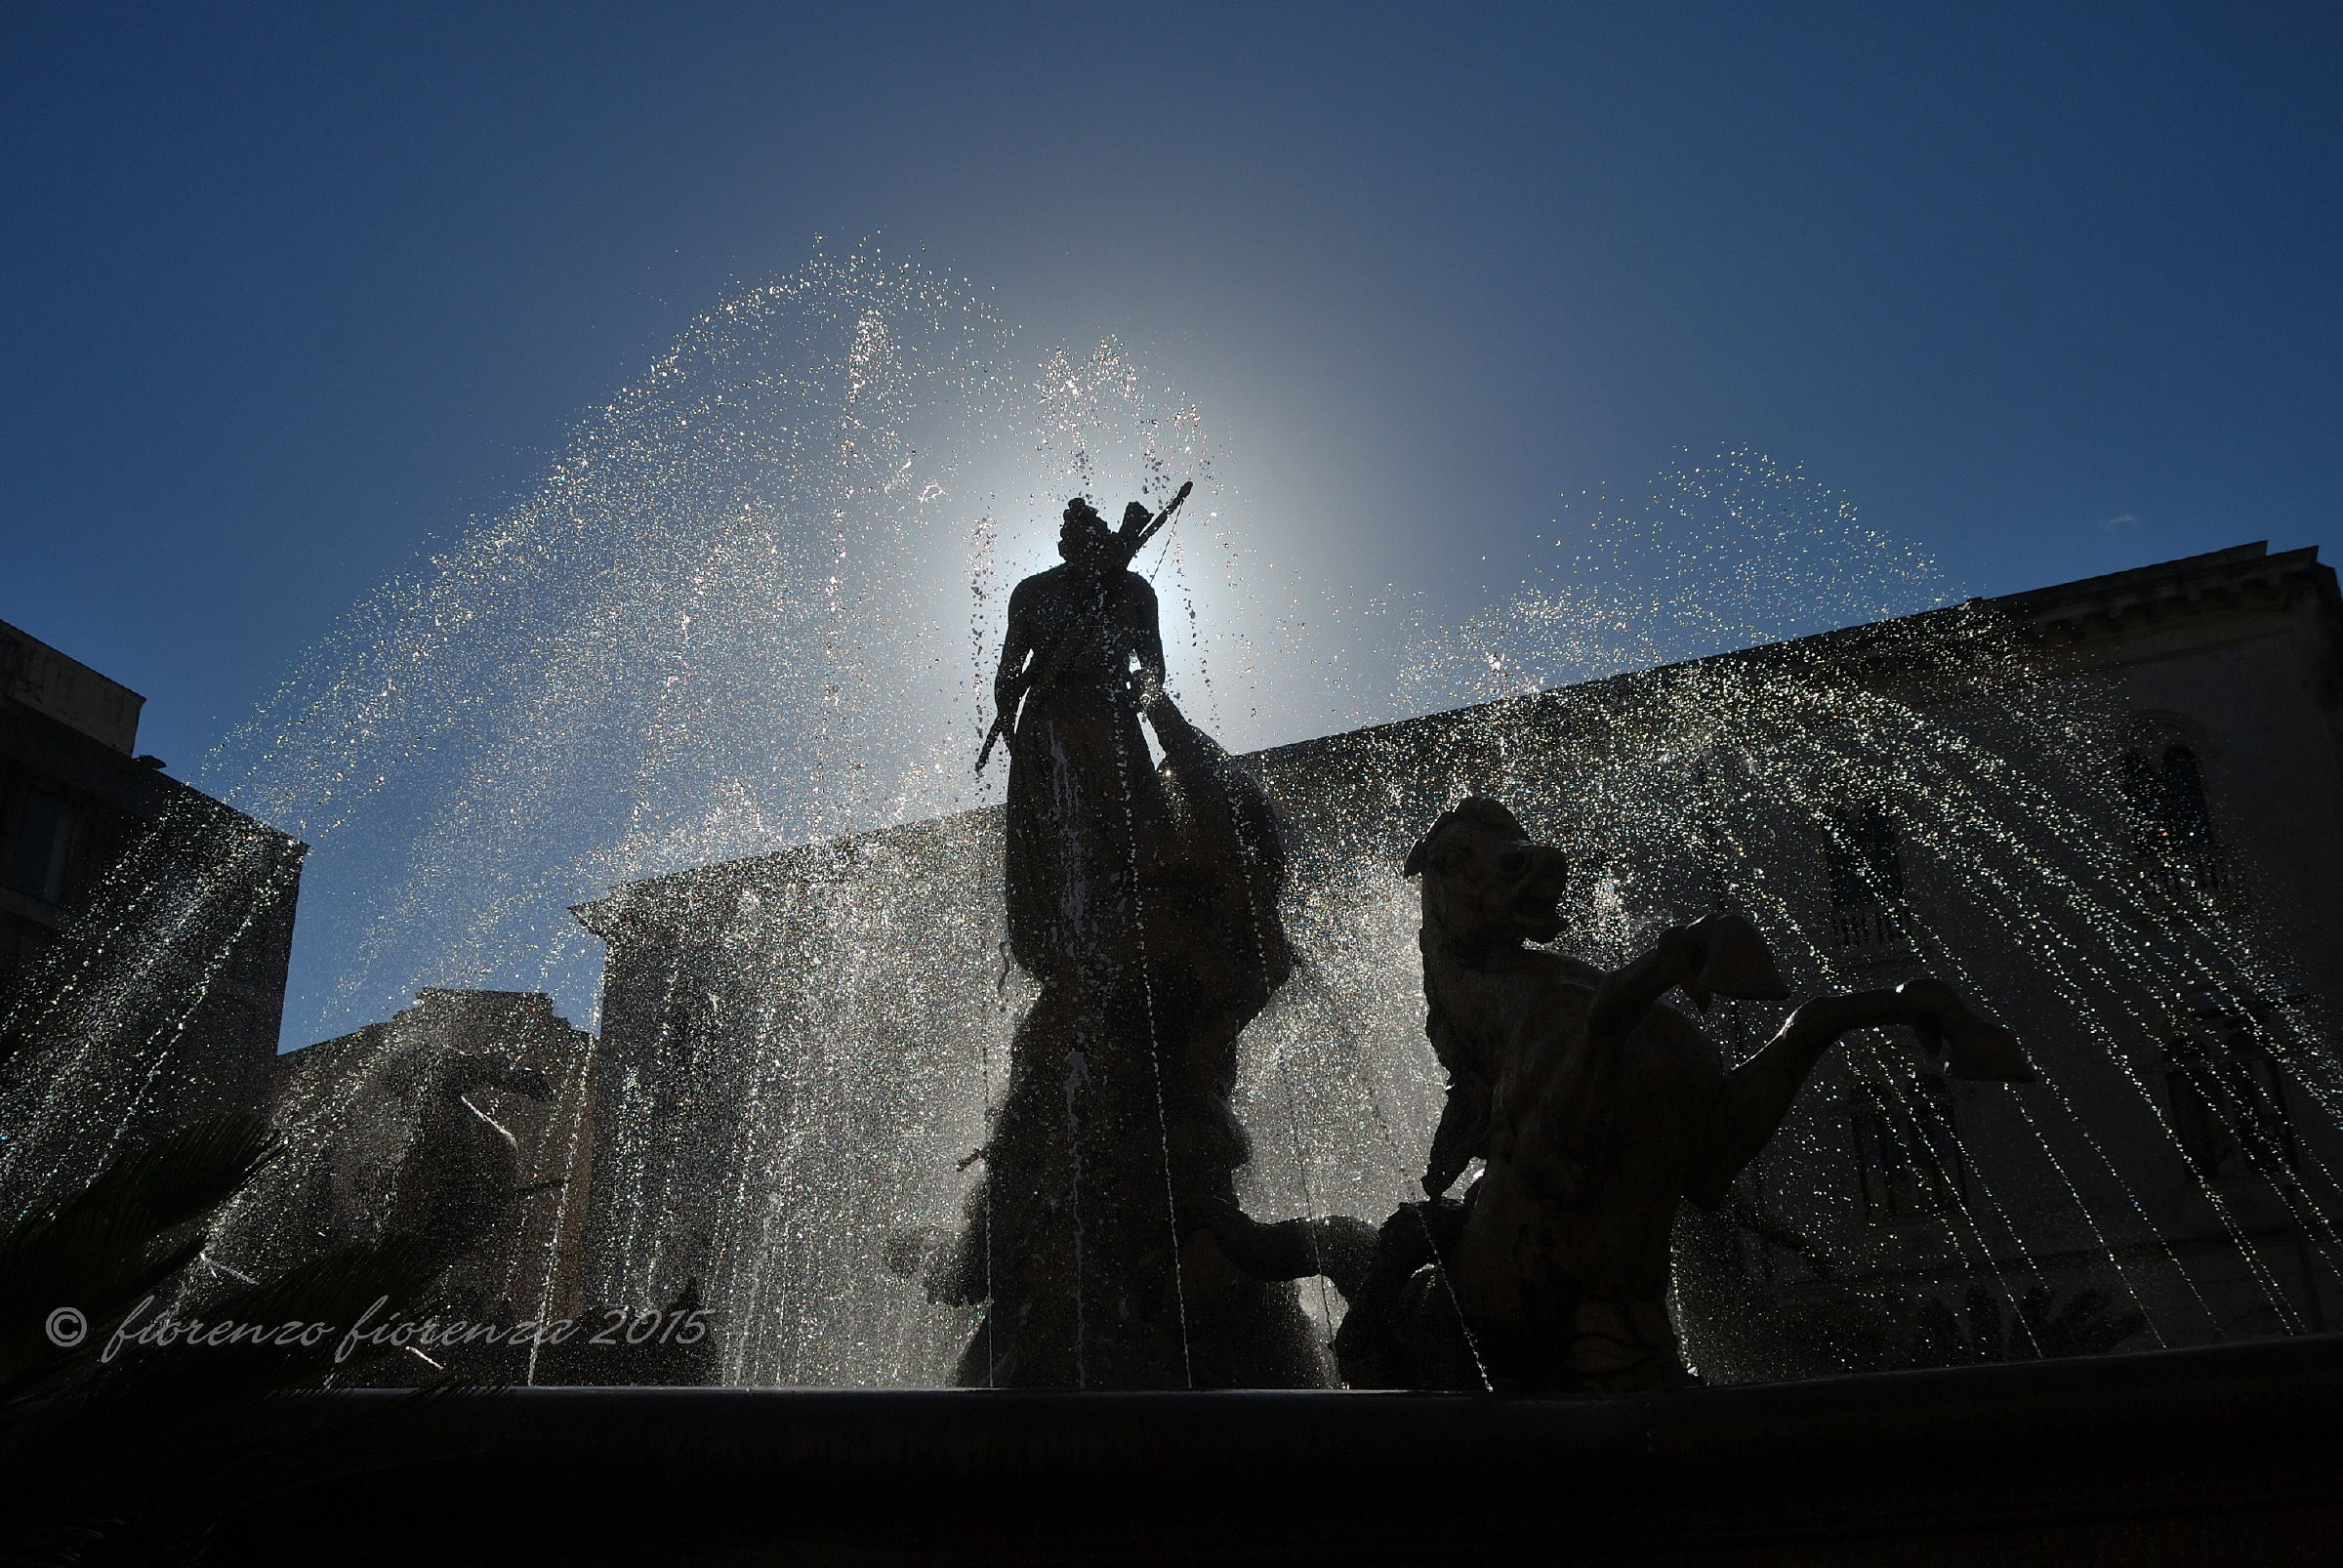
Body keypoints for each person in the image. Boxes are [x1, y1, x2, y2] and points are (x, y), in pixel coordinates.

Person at [994, 498, 1168, 985]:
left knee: (1131, 830)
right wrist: (1010, 724)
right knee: (1057, 842)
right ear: (1064, 548)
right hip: (1059, 724)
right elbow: (1008, 674)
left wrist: (1009, 723)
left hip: (1098, 719)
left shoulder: (1131, 590)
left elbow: (1153, 668)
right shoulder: (1034, 592)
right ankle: (1063, 945)